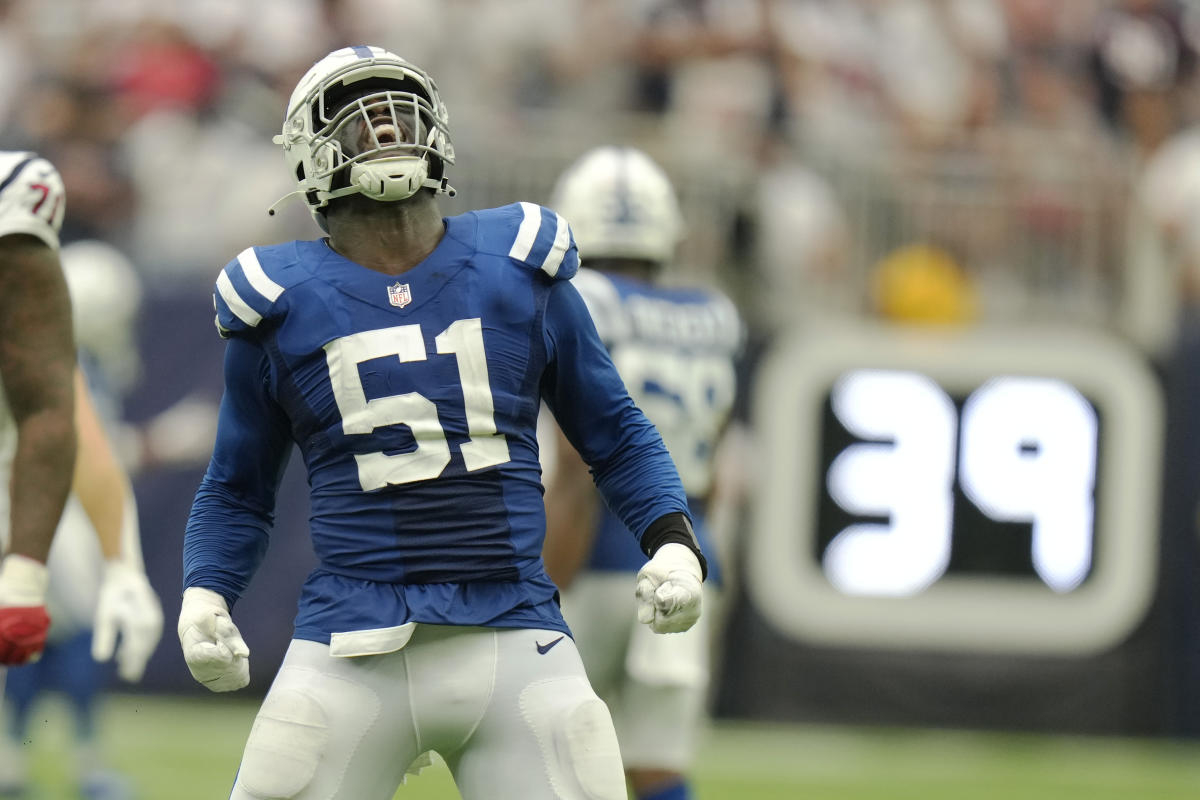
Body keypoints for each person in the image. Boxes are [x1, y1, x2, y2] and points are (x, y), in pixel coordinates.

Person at [177, 45, 706, 800]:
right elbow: (236, 487)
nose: (387, 123)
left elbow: (615, 431)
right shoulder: (278, 298)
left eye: (400, 105)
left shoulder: (516, 265)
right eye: (358, 113)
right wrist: (205, 593)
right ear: (311, 150)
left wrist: (674, 542)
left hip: (514, 632)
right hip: (350, 644)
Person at [540, 146, 741, 800]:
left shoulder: (581, 301)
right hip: (685, 558)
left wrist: (544, 584)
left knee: (551, 762)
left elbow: (576, 459)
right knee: (656, 762)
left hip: (592, 555)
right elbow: (710, 469)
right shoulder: (712, 314)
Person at [0, 239, 164, 799]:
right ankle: (59, 760)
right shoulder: (52, 356)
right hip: (45, 504)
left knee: (35, 629)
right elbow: (81, 447)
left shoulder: (69, 354)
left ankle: (22, 760)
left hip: (45, 501)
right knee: (48, 631)